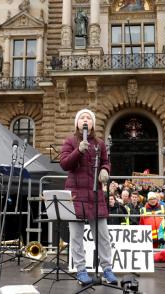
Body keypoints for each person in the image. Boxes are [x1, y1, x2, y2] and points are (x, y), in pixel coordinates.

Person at [59, 108, 118, 286]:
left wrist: (105, 170)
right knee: (76, 237)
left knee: (103, 236)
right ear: (77, 123)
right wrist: (78, 150)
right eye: (82, 117)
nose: (85, 120)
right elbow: (64, 164)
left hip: (95, 194)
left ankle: (107, 268)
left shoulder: (99, 143)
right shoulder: (70, 141)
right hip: (76, 195)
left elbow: (106, 161)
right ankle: (81, 270)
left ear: (92, 123)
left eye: (89, 118)